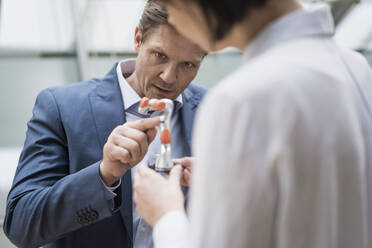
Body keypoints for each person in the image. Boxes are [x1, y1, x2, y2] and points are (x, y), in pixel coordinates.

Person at [133, 0, 372, 247]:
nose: (172, 19)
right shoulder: (356, 69)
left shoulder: (239, 102)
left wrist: (165, 215)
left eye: (171, 7)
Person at [3, 1, 206, 247]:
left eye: (188, 65)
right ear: (138, 38)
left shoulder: (215, 109)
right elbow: (21, 224)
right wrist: (104, 174)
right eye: (159, 55)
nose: (169, 77)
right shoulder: (61, 107)